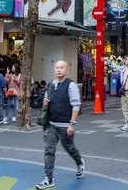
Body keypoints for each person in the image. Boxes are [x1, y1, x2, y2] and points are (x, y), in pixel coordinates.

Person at [36, 61, 84, 189]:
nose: (59, 70)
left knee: (70, 147)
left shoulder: (71, 85)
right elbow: (45, 104)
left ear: (66, 70)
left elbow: (76, 105)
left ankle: (79, 162)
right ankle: (49, 178)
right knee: (49, 150)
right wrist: (45, 103)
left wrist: (72, 124)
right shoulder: (50, 85)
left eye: (62, 68)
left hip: (65, 125)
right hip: (50, 124)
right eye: (57, 67)